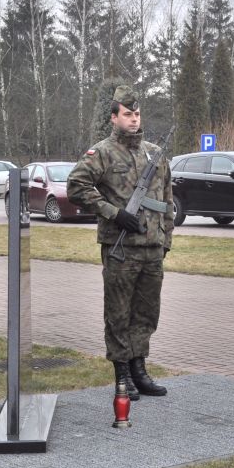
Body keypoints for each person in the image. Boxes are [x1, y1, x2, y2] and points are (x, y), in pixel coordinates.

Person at [67, 85, 173, 401]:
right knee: (118, 313)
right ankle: (122, 373)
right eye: (127, 114)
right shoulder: (102, 153)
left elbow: (167, 199)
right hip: (121, 248)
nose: (134, 120)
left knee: (146, 313)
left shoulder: (155, 152)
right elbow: (77, 187)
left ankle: (140, 369)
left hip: (152, 248)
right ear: (114, 117)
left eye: (137, 114)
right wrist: (114, 213)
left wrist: (166, 239)